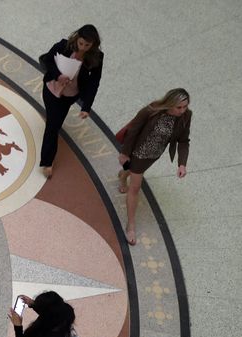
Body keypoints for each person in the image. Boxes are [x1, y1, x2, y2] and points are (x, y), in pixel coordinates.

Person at [117, 88, 191, 245]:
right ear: (170, 103)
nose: (182, 110)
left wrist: (182, 163)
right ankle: (130, 225)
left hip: (154, 154)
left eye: (185, 106)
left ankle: (123, 175)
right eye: (179, 107)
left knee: (136, 171)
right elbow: (133, 130)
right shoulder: (150, 111)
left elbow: (183, 140)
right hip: (138, 152)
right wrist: (124, 153)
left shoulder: (186, 116)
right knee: (135, 188)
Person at [39, 24, 104, 178]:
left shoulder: (97, 58)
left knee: (54, 124)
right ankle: (47, 162)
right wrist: (58, 75)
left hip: (69, 96)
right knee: (53, 126)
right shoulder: (64, 45)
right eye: (81, 43)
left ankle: (51, 134)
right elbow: (47, 60)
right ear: (77, 38)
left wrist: (86, 107)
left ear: (93, 45)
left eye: (87, 45)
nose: (82, 47)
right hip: (52, 89)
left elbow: (94, 83)